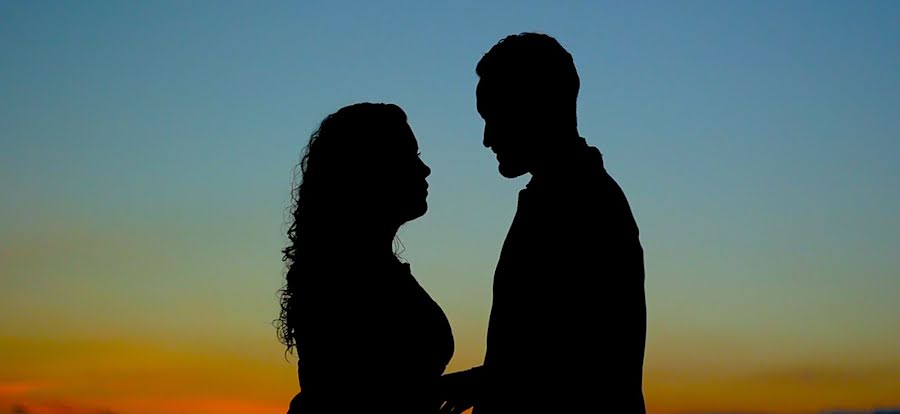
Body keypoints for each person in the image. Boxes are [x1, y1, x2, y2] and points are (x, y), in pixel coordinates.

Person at [440, 33, 647, 413]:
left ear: (537, 108)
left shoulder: (583, 206)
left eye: (495, 117)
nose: (487, 139)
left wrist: (476, 382)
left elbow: (576, 366)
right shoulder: (563, 197)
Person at [278, 103, 455, 413]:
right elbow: (362, 393)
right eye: (409, 156)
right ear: (370, 171)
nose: (424, 168)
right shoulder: (346, 280)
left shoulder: (365, 271)